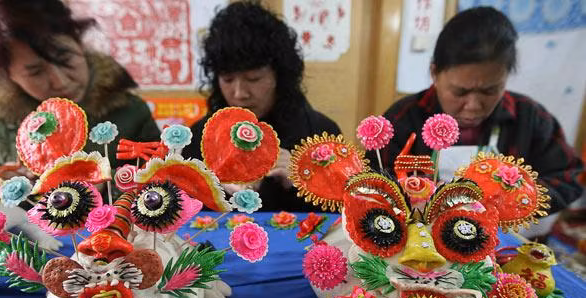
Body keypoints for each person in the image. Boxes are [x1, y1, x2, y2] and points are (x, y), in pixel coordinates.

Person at [373, 6, 583, 216]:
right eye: (460, 92)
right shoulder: (403, 119)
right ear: (434, 73)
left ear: (506, 77)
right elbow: (375, 183)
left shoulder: (530, 118)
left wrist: (519, 199)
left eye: (489, 90)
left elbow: (570, 178)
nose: (473, 105)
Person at [0, 0, 160, 191]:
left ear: (78, 42)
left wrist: (107, 187)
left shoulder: (129, 110)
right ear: (8, 75)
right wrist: (0, 183)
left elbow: (162, 180)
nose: (60, 81)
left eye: (65, 58)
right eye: (35, 72)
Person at [183, 1, 341, 211]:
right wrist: (209, 189)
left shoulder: (320, 134)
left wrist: (304, 182)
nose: (239, 93)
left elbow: (345, 216)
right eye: (228, 79)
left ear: (280, 75)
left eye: (254, 79)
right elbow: (175, 220)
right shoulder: (197, 138)